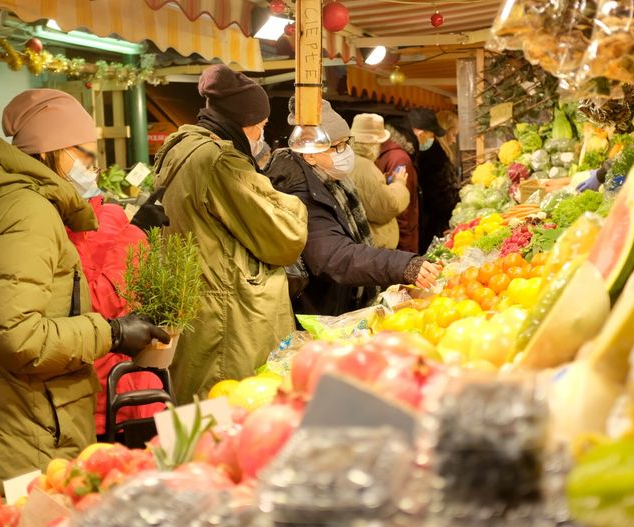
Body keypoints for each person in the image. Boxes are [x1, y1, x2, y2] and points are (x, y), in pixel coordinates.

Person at [0, 89, 169, 501]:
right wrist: (112, 333)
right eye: (84, 153)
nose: (92, 165)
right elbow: (15, 336)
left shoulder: (0, 202)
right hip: (16, 428)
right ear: (50, 151)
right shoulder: (28, 213)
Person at [153, 65, 307, 401]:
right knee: (231, 409)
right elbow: (287, 236)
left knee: (201, 409)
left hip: (200, 307)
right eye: (261, 126)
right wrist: (293, 203)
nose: (261, 135)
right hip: (227, 320)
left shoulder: (179, 149)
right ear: (245, 122)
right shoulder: (220, 161)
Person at [266, 99, 440, 317]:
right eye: (337, 146)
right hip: (318, 311)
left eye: (346, 143)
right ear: (309, 154)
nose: (345, 152)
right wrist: (400, 264)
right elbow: (334, 256)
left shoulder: (332, 180)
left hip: (339, 301)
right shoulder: (299, 193)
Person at [65, 184, 172, 438]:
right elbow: (94, 306)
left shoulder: (111, 214)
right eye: (85, 162)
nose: (92, 170)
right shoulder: (53, 231)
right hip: (95, 401)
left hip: (141, 386)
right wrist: (136, 234)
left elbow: (133, 291)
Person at [349, 113, 409, 249]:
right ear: (372, 143)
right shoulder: (365, 167)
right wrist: (399, 184)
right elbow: (387, 207)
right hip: (374, 247)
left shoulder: (351, 160)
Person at [409, 108, 460, 254]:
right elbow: (440, 196)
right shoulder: (435, 156)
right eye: (453, 134)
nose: (454, 140)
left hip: (430, 221)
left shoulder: (432, 153)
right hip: (434, 225)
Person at [376, 119, 420, 253]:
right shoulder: (400, 159)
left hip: (389, 234)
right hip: (401, 238)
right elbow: (402, 208)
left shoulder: (385, 154)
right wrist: (405, 243)